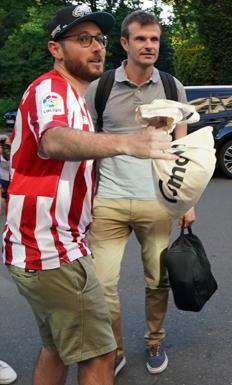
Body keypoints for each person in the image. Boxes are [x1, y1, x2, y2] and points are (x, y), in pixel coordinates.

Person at [2, 5, 176, 385]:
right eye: (83, 39)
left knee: (56, 349)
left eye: (98, 39)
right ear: (56, 49)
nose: (96, 47)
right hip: (52, 251)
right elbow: (54, 139)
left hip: (45, 247)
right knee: (100, 356)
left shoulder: (74, 95)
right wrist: (129, 143)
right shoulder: (53, 89)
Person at [84, 10, 194, 376]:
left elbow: (183, 149)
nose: (149, 46)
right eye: (141, 39)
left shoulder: (171, 85)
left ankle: (154, 340)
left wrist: (186, 201)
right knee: (102, 285)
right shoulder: (98, 88)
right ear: (124, 43)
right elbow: (84, 145)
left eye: (154, 40)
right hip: (108, 202)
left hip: (156, 201)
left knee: (157, 279)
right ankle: (113, 350)